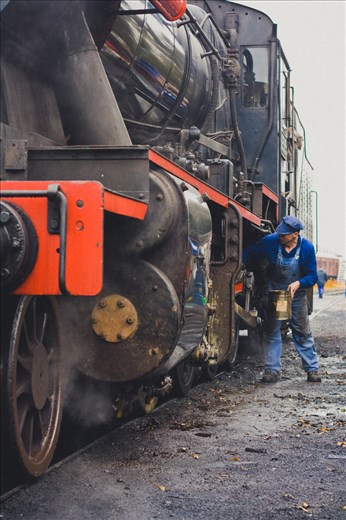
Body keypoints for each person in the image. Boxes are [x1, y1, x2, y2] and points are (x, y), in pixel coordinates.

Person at [244, 215, 321, 383]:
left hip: (296, 296)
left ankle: (312, 369)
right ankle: (272, 370)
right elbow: (251, 251)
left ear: (295, 234)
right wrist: (244, 266)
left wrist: (298, 283)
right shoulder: (272, 241)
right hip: (276, 293)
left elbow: (312, 276)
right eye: (280, 233)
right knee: (271, 331)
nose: (280, 236)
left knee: (301, 331)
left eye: (284, 234)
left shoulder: (306, 248)